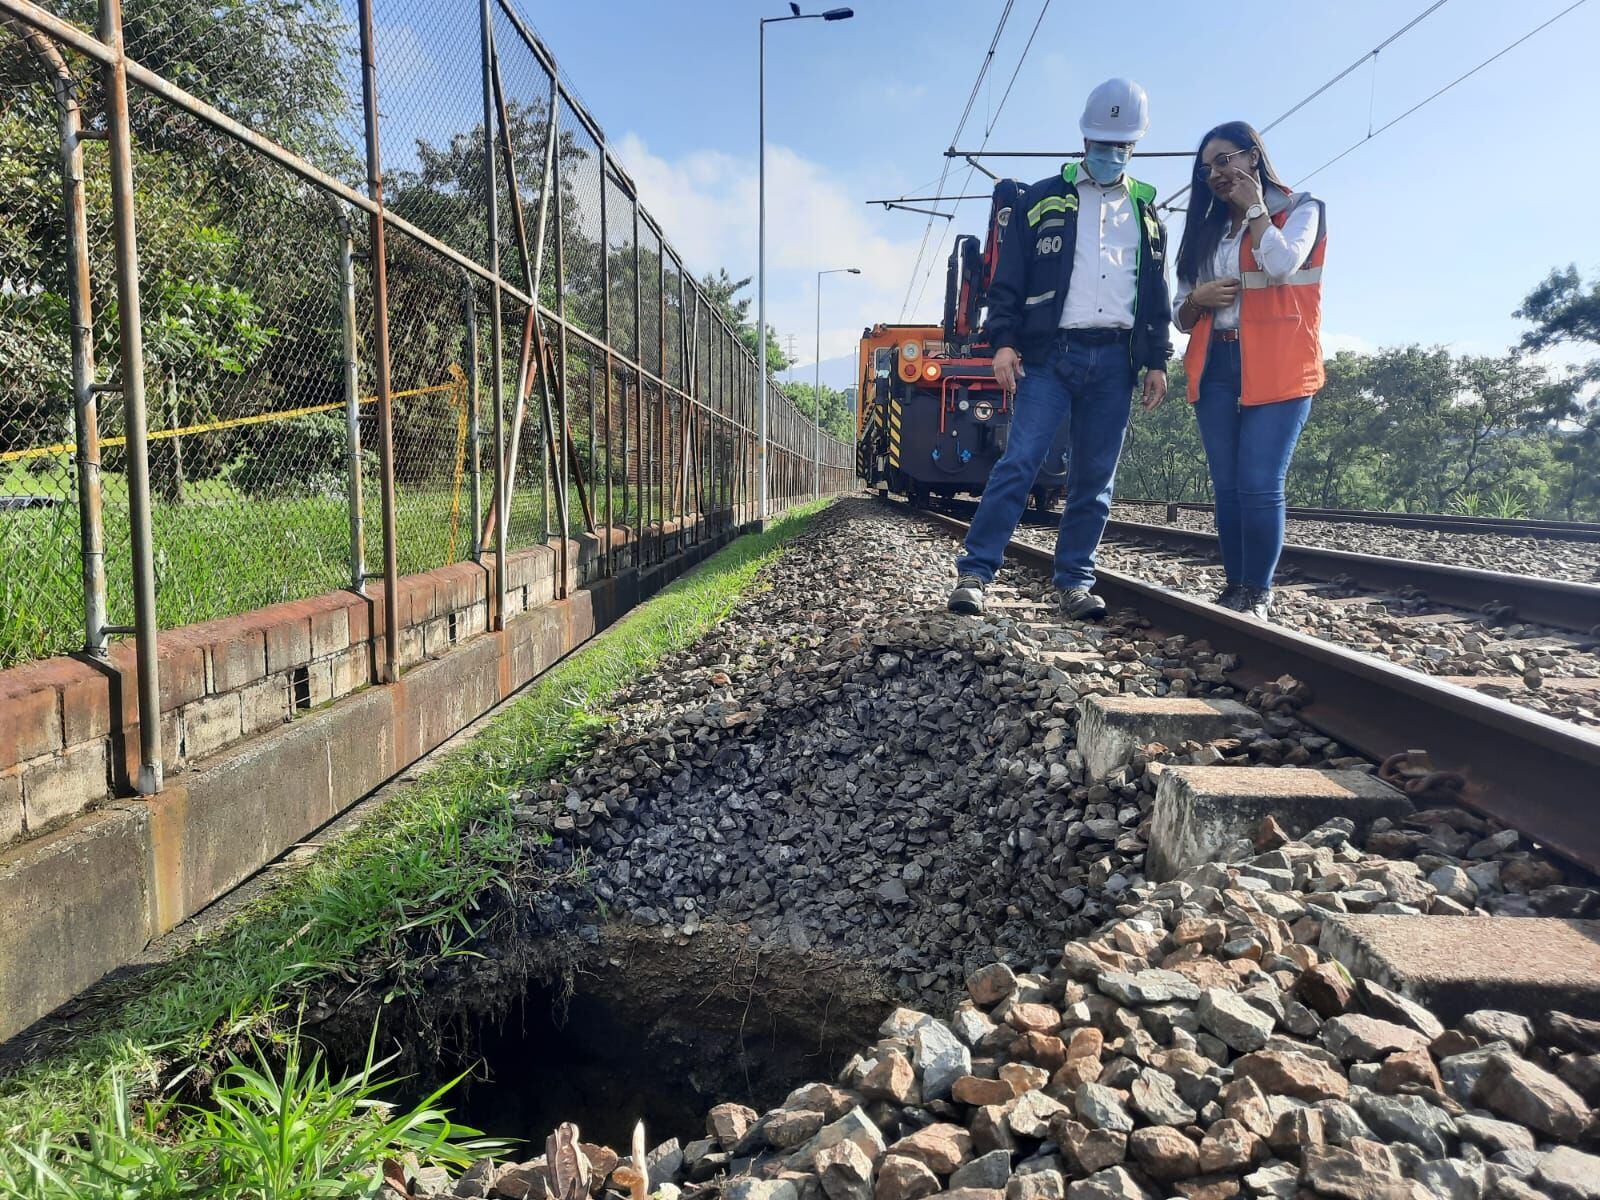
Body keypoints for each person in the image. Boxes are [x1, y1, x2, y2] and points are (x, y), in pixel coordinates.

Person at [948, 78, 1172, 619]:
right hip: (1050, 356)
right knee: (1019, 462)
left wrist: (1157, 360)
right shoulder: (1040, 199)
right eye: (1100, 143)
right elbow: (1008, 281)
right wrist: (1002, 342)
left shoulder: (1145, 213)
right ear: (1084, 139)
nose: (1108, 153)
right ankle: (975, 575)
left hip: (1116, 360)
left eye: (1118, 146)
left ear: (1133, 147)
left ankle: (1074, 581)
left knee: (1094, 478)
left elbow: (1155, 291)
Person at [1168, 121, 1326, 620]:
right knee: (1228, 484)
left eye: (1223, 160)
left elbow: (1281, 263)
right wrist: (1197, 298)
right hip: (1216, 363)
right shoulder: (1206, 228)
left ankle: (1258, 593)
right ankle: (1235, 588)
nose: (1215, 173)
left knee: (1260, 481)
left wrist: (1256, 207)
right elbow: (1179, 313)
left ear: (1251, 156)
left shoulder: (1301, 209)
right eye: (1206, 167)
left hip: (1279, 362)